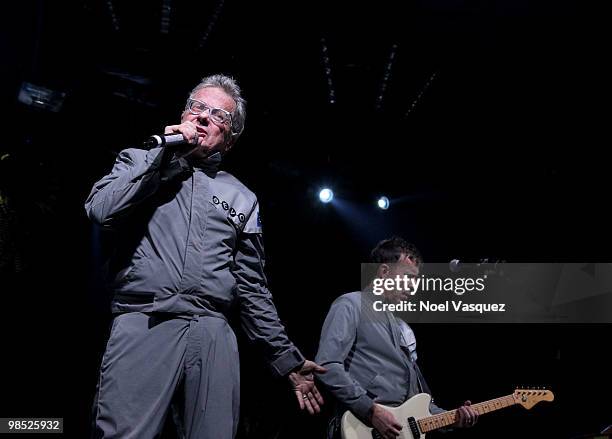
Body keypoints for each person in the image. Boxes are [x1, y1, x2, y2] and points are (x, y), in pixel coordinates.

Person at [85, 74, 325, 439]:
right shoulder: (140, 158)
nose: (202, 117)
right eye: (197, 107)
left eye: (218, 115)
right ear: (183, 113)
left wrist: (286, 360)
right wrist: (165, 158)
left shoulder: (242, 197)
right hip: (147, 319)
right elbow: (102, 210)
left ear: (229, 140)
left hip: (213, 333)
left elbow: (251, 289)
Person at [315, 236, 478, 439]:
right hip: (360, 428)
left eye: (416, 280)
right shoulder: (350, 304)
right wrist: (370, 410)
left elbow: (417, 403)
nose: (413, 286)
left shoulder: (399, 327)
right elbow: (327, 365)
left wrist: (454, 417)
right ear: (384, 272)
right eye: (409, 276)